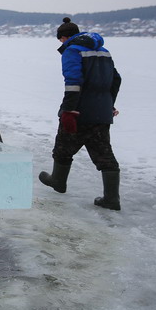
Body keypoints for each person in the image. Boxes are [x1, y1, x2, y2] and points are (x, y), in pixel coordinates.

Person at [39, 17, 123, 210]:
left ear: (64, 37)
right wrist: (109, 104)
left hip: (79, 110)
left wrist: (69, 110)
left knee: (63, 147)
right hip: (101, 112)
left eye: (60, 39)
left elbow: (73, 81)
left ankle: (58, 182)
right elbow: (116, 80)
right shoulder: (104, 51)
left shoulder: (72, 50)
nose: (60, 43)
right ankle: (111, 199)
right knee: (104, 153)